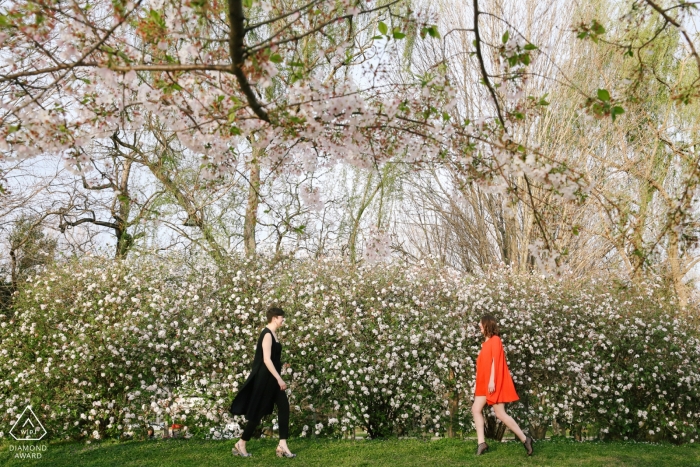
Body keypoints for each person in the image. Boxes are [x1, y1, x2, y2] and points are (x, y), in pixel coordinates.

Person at [229, 306, 296, 458]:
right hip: (265, 379)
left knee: (284, 406)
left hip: (272, 378)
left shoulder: (273, 334)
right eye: (281, 317)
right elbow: (266, 359)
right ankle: (241, 443)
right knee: (258, 412)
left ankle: (282, 445)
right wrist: (279, 378)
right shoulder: (266, 334)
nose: (283, 320)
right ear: (274, 318)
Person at [472, 314, 533, 456]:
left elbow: (495, 361)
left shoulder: (495, 340)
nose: (479, 326)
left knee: (500, 414)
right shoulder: (485, 342)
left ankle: (525, 439)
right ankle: (481, 443)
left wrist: (492, 380)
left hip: (492, 383)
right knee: (476, 409)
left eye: (481, 324)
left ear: (487, 324)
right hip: (482, 383)